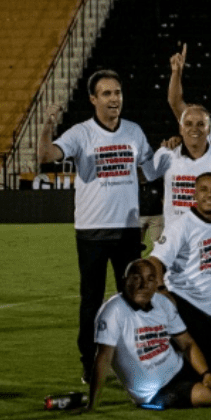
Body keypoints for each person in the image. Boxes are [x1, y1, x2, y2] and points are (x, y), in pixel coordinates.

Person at [38, 70, 159, 384]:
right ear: (93, 99)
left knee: (133, 298)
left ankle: (131, 361)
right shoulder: (80, 133)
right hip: (92, 230)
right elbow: (46, 155)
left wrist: (169, 153)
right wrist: (48, 128)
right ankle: (90, 363)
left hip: (128, 230)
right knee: (91, 301)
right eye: (106, 94)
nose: (114, 99)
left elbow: (150, 171)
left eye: (117, 92)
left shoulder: (134, 131)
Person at [87, 260, 211, 410]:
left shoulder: (162, 302)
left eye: (150, 279)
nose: (143, 285)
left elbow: (187, 343)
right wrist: (92, 405)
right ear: (124, 281)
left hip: (180, 369)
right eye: (137, 278)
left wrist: (206, 374)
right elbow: (103, 358)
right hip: (155, 392)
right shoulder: (113, 311)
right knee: (207, 396)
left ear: (156, 283)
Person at [147, 172, 211, 380]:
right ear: (194, 194)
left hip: (206, 312)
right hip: (183, 305)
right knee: (189, 374)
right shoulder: (182, 225)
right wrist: (162, 291)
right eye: (203, 190)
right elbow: (154, 261)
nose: (209, 195)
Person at [144, 104, 211, 225]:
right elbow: (146, 175)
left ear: (209, 129)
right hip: (176, 237)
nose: (194, 129)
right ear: (181, 129)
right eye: (188, 124)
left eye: (201, 124)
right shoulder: (166, 154)